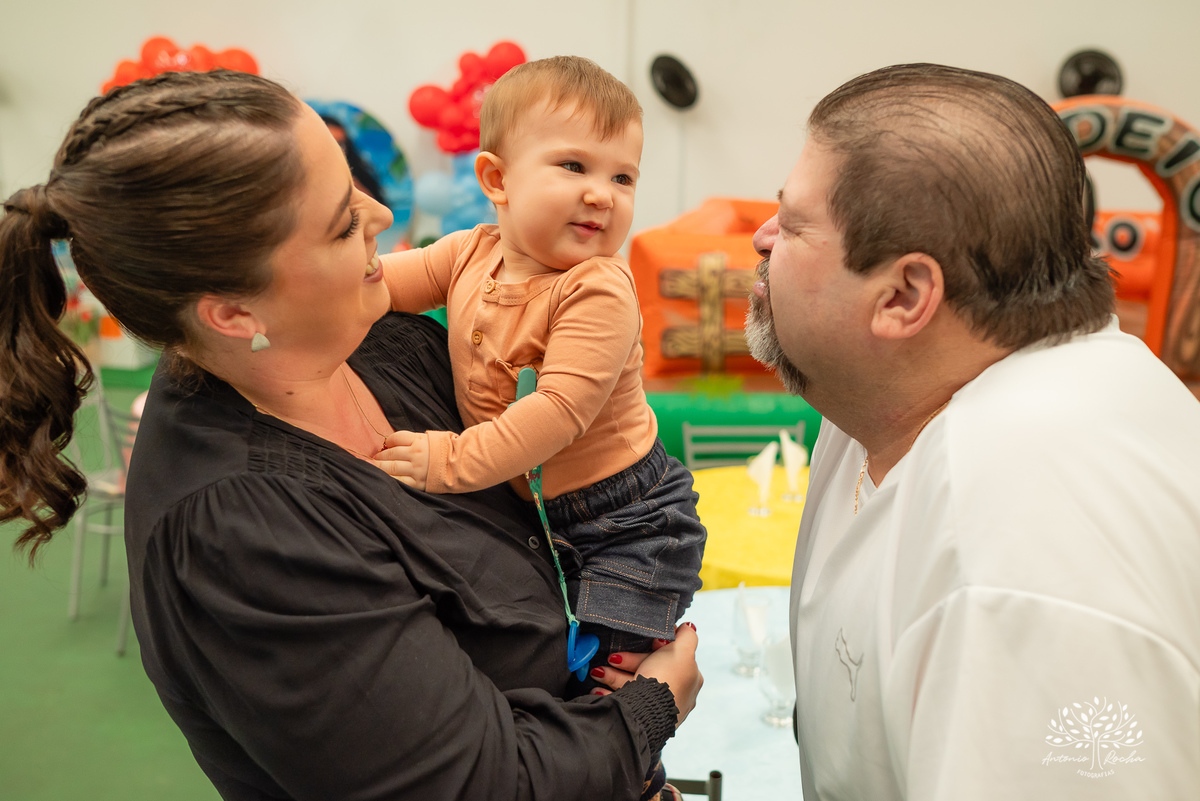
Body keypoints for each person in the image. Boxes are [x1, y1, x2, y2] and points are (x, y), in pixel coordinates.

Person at [0, 69, 701, 801]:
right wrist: (650, 708)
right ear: (235, 313)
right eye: (341, 223)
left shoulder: (376, 341)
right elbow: (474, 784)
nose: (382, 213)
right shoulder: (241, 533)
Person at [746, 63, 1200, 799]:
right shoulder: (889, 397)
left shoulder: (1020, 551)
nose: (762, 238)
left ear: (904, 296)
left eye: (794, 224)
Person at [377, 56, 706, 677]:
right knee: (534, 654)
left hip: (628, 521)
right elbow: (379, 286)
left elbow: (557, 412)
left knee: (605, 671)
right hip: (533, 509)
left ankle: (633, 740)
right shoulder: (469, 252)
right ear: (496, 178)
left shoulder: (597, 288)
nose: (601, 194)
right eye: (574, 166)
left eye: (623, 178)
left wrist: (448, 461)